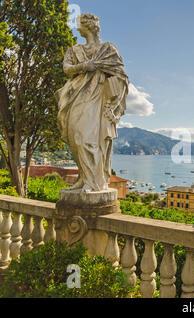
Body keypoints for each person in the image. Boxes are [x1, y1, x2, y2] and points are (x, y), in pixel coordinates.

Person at [56, 14, 129, 193]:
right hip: (76, 95)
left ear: (87, 26)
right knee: (74, 138)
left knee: (85, 138)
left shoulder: (108, 49)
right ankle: (84, 178)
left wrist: (114, 102)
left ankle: (93, 182)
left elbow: (121, 76)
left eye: (79, 24)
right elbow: (66, 69)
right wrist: (85, 66)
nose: (77, 27)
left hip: (98, 98)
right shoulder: (74, 50)